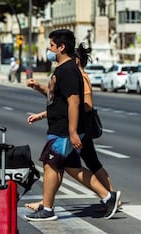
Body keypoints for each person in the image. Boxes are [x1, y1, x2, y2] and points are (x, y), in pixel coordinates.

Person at [24, 29, 120, 222]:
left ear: (61, 47)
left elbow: (74, 102)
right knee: (69, 166)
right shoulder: (63, 69)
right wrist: (41, 90)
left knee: (51, 163)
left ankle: (48, 208)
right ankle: (108, 197)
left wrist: (73, 131)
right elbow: (58, 100)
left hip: (63, 129)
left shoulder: (67, 70)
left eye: (51, 46)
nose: (49, 50)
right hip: (60, 127)